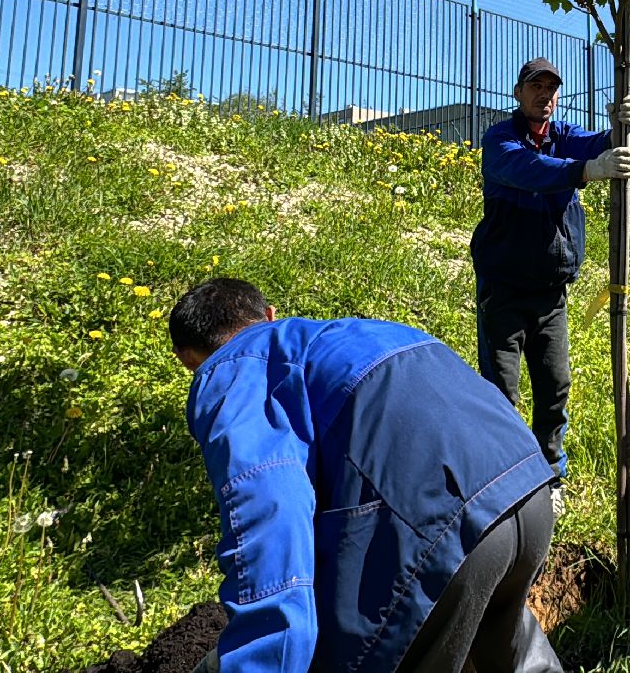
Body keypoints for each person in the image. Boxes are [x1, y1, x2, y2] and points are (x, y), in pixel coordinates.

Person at [168, 278, 563, 673]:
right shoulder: (358, 334)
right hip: (526, 485)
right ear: (270, 314)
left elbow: (270, 514)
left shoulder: (232, 370)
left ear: (189, 358)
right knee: (504, 645)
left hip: (435, 515)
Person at [470, 57, 630, 498]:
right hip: (503, 292)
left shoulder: (563, 135)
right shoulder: (500, 139)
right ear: (518, 93)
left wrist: (621, 126)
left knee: (554, 389)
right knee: (500, 393)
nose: (544, 95)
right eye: (535, 87)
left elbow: (601, 145)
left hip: (551, 294)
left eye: (551, 88)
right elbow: (529, 171)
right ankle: (501, 483)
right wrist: (585, 170)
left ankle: (549, 479)